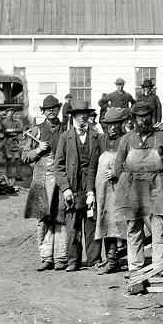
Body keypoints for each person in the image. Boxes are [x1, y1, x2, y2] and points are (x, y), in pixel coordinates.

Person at [112, 100, 163, 272]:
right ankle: (135, 266)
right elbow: (118, 168)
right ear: (134, 119)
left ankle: (160, 266)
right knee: (133, 227)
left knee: (159, 226)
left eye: (146, 117)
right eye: (140, 118)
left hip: (158, 186)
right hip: (133, 188)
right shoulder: (126, 139)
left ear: (151, 117)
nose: (144, 121)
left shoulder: (162, 136)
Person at [54, 103, 102, 271]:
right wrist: (65, 188)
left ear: (89, 117)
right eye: (79, 114)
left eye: (85, 114)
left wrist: (93, 190)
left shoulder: (97, 137)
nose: (82, 117)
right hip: (72, 188)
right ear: (73, 117)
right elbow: (58, 167)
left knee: (92, 222)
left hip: (92, 185)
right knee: (73, 225)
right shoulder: (65, 137)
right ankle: (73, 260)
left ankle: (94, 259)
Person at [23, 95, 65, 271]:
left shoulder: (66, 129)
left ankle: (61, 257)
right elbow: (25, 156)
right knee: (43, 218)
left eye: (54, 108)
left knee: (60, 216)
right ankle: (46, 257)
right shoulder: (36, 131)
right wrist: (38, 150)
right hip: (41, 179)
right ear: (43, 111)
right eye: (48, 109)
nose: (51, 111)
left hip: (60, 177)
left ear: (58, 109)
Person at [94, 107, 130, 272]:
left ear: (122, 124)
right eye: (110, 124)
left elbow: (134, 164)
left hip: (124, 189)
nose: (113, 128)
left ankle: (133, 259)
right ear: (105, 125)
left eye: (116, 124)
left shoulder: (128, 139)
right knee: (107, 222)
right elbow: (91, 167)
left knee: (125, 222)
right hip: (104, 191)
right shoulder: (101, 140)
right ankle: (112, 260)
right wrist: (89, 191)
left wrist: (117, 172)